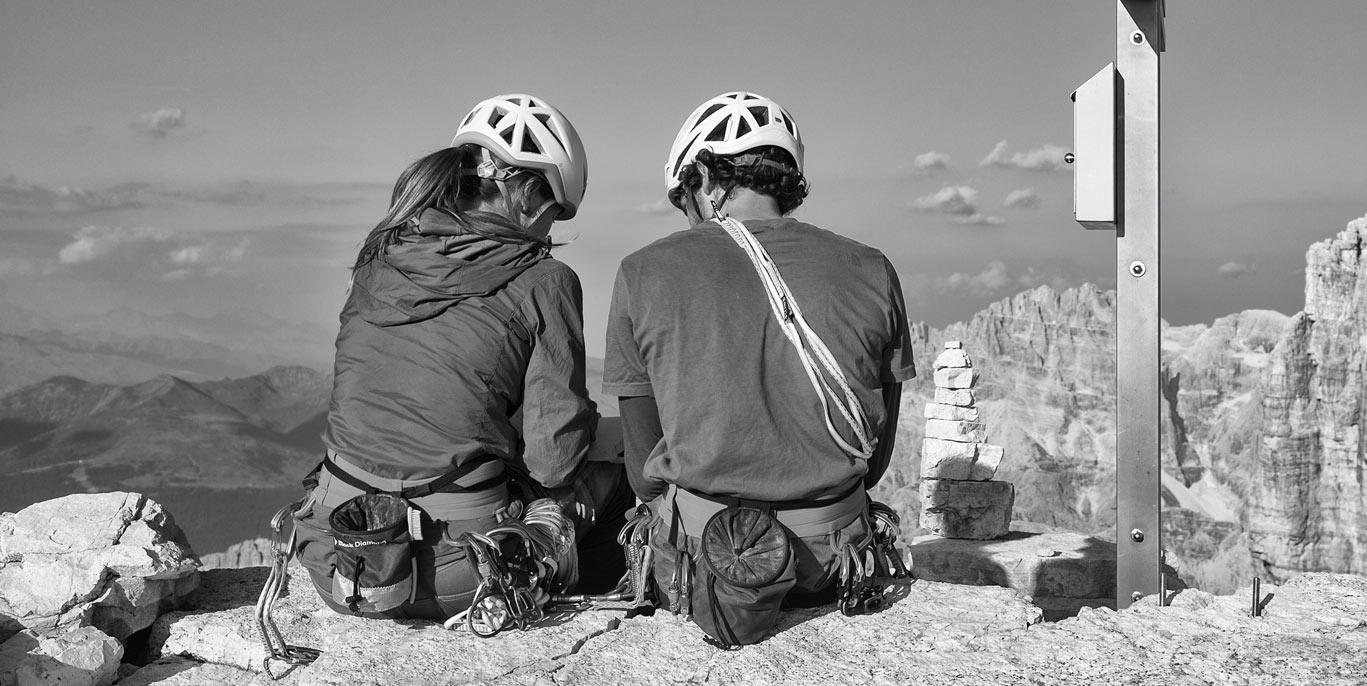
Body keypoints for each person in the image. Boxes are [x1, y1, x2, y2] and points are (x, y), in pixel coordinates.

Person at [289, 93, 625, 621]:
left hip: (336, 557)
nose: (551, 231)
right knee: (617, 476)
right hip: (457, 571)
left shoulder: (382, 252)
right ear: (531, 195)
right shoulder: (545, 280)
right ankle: (595, 616)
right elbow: (554, 460)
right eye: (556, 212)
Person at [604, 91, 915, 647]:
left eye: (684, 199)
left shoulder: (642, 271)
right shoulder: (873, 268)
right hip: (830, 563)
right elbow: (875, 457)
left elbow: (643, 474)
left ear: (702, 175)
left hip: (703, 564)